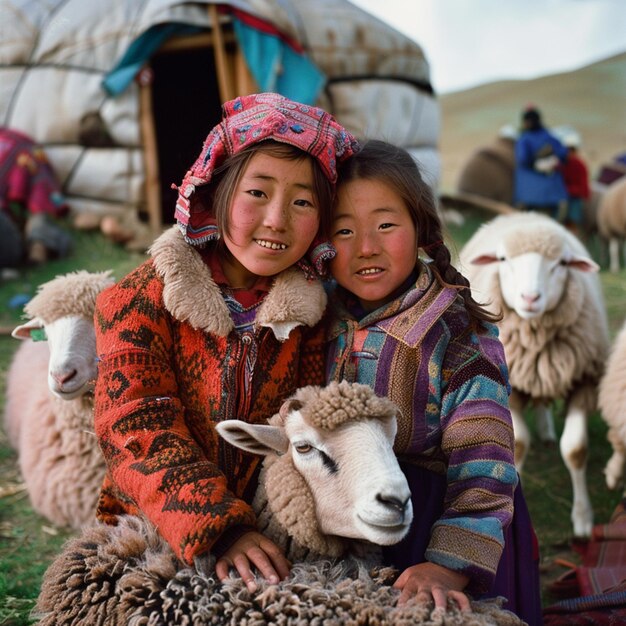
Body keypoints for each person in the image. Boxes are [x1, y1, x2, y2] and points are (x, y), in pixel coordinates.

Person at [92, 93, 359, 592]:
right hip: (151, 531)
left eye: (303, 201)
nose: (277, 219)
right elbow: (135, 423)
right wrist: (218, 525)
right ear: (214, 195)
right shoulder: (139, 300)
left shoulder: (314, 316)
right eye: (257, 193)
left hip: (272, 529)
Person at [325, 139, 543, 624]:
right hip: (358, 514)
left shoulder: (457, 333)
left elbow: (485, 461)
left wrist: (449, 566)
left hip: (436, 520)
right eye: (343, 230)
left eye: (386, 225)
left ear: (421, 230)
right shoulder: (321, 317)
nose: (366, 247)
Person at [513, 106, 568, 222]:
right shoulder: (549, 136)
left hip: (528, 194)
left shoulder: (524, 139)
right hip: (552, 193)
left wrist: (534, 163)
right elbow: (563, 154)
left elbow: (522, 159)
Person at [559, 133, 591, 236]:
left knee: (568, 222)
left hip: (569, 196)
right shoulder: (578, 163)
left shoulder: (563, 163)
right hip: (569, 196)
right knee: (571, 222)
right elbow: (584, 182)